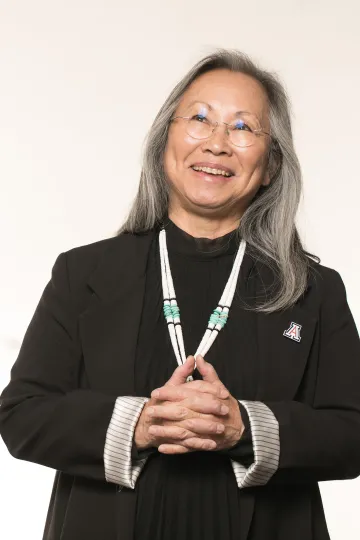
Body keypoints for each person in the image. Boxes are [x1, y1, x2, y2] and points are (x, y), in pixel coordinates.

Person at [1, 48, 360, 540]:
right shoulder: (83, 273)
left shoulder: (314, 290)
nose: (216, 144)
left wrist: (245, 428)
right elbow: (22, 414)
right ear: (165, 140)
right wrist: (141, 424)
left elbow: (353, 433)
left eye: (242, 127)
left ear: (272, 163)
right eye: (199, 119)